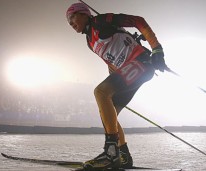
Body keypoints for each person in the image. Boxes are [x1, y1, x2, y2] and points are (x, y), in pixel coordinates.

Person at [66, 2, 167, 170]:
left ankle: (110, 153)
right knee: (109, 114)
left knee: (100, 92)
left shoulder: (100, 21)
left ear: (84, 13)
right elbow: (110, 61)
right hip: (129, 71)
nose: (71, 24)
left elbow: (138, 21)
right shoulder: (89, 41)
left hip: (141, 63)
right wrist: (114, 79)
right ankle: (123, 155)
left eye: (72, 18)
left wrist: (157, 49)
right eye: (68, 23)